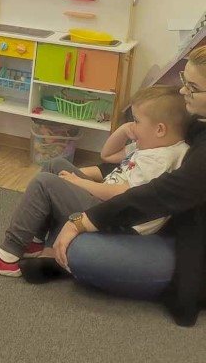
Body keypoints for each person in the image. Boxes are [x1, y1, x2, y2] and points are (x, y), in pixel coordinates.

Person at [0, 85, 188, 277]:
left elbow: (126, 196)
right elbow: (108, 155)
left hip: (119, 218)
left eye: (136, 121)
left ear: (159, 129)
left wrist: (80, 183)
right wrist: (123, 129)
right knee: (55, 165)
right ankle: (35, 241)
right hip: (108, 204)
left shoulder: (159, 158)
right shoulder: (151, 145)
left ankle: (8, 255)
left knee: (44, 183)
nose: (133, 125)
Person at [53, 49, 206, 327]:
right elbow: (144, 161)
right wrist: (95, 174)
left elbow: (159, 194)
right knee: (60, 191)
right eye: (185, 80)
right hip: (167, 226)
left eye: (193, 87)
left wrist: (82, 221)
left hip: (189, 249)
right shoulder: (193, 120)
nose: (183, 90)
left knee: (81, 251)